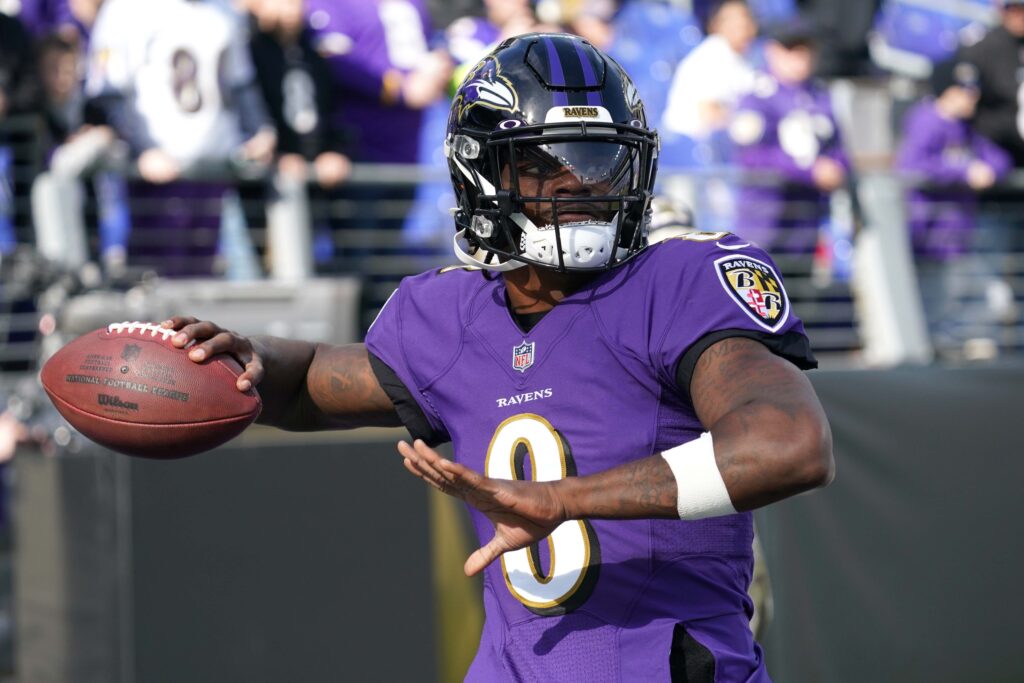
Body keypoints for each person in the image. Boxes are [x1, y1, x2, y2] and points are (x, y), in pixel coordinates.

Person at [166, 33, 834, 681]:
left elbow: (790, 443)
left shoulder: (680, 280)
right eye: (547, 162)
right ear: (481, 172)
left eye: (601, 159)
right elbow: (308, 382)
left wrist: (562, 499)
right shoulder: (449, 317)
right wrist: (243, 356)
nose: (580, 184)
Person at [84, 0, 276, 277]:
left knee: (203, 279)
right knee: (156, 280)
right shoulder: (125, 9)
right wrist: (144, 149)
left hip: (214, 170)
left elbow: (240, 81)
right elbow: (108, 92)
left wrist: (262, 130)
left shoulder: (224, 11)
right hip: (157, 175)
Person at [729, 21, 849, 254]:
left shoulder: (820, 96)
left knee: (801, 285)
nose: (800, 57)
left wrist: (837, 167)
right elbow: (753, 156)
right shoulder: (757, 96)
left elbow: (838, 147)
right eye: (792, 48)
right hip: (766, 215)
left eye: (806, 49)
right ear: (772, 51)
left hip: (807, 217)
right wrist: (809, 171)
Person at [956, 0, 1024, 167]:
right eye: (1013, 8)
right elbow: (964, 97)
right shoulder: (983, 48)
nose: (1019, 14)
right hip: (996, 151)